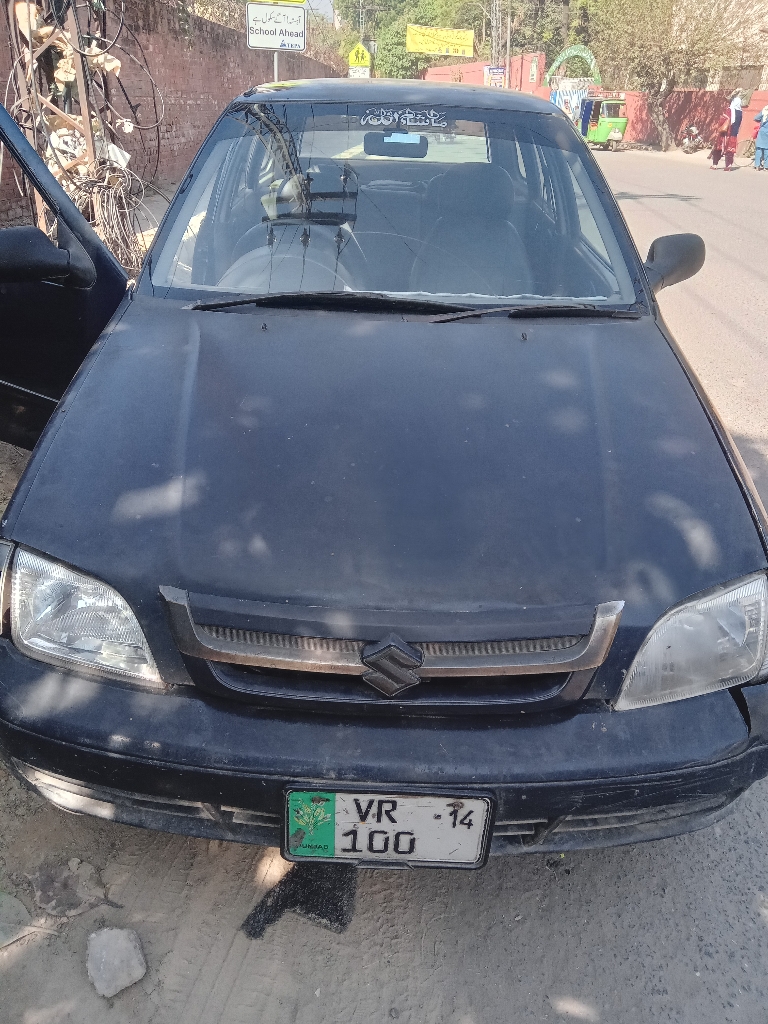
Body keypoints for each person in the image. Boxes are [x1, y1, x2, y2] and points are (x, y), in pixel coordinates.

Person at [755, 105, 768, 170]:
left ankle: (757, 165)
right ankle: (766, 166)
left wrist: (762, 112)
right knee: (766, 149)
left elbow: (756, 118)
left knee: (759, 149)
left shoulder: (764, 112)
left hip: (762, 132)